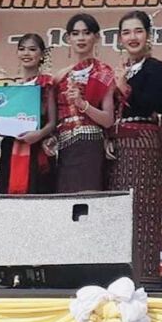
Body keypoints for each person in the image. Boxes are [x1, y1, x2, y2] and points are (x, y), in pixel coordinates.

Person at [105, 11, 162, 284]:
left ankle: (146, 278)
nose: (132, 37)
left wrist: (123, 86)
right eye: (126, 32)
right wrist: (108, 137)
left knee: (143, 210)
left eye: (138, 31)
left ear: (148, 35)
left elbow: (152, 103)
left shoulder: (155, 68)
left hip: (143, 143)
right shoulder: (119, 68)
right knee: (118, 211)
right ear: (120, 38)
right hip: (118, 148)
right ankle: (118, 278)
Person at [54, 13, 115, 193]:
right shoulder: (60, 76)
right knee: (65, 200)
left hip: (91, 145)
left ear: (96, 37)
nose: (81, 38)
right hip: (63, 147)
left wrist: (83, 104)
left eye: (86, 33)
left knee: (88, 199)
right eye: (75, 33)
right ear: (68, 38)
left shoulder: (104, 73)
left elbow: (108, 120)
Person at [0, 33, 56, 194]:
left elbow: (52, 122)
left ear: (42, 55)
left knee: (35, 194)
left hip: (37, 148)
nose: (26, 53)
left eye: (32, 49)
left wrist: (39, 134)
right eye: (22, 49)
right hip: (11, 146)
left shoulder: (46, 84)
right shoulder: (12, 89)